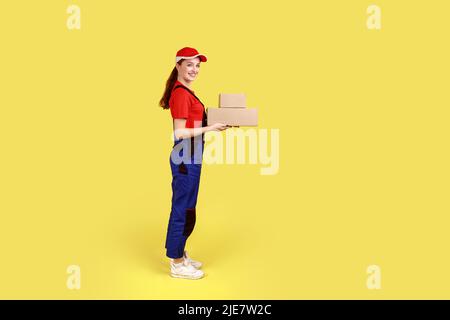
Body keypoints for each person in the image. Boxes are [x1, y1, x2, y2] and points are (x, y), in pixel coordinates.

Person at [159, 47, 229, 279]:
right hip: (184, 157)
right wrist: (211, 128)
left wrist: (219, 120)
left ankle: (181, 254)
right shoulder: (180, 94)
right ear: (178, 65)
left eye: (197, 66)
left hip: (192, 157)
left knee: (189, 208)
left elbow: (195, 120)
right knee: (181, 209)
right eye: (189, 64)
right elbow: (179, 133)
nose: (194, 69)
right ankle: (177, 263)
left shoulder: (188, 92)